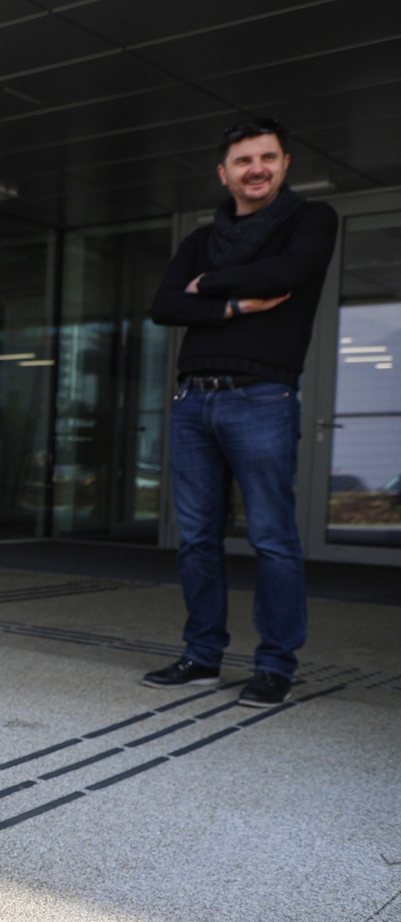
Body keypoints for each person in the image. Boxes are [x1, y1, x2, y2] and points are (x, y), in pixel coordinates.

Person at [143, 118, 337, 707]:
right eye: (244, 161)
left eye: (267, 158)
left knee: (273, 539)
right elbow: (163, 305)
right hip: (192, 399)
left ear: (285, 164)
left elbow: (286, 273)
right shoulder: (200, 238)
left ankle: (275, 664)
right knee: (197, 540)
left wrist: (206, 286)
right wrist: (233, 306)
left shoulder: (311, 220)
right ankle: (202, 655)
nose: (257, 169)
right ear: (223, 173)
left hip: (262, 396)